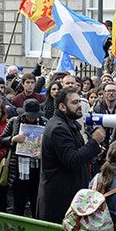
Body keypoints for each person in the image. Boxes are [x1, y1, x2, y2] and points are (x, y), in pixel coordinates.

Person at [37, 87, 106, 223]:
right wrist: (93, 142)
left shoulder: (68, 124)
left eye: (79, 101)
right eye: (75, 102)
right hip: (60, 198)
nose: (80, 105)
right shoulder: (59, 128)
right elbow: (72, 160)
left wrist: (94, 150)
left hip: (67, 194)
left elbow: (77, 153)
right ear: (62, 106)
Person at [0, 98, 47, 217]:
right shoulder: (14, 121)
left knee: (36, 202)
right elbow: (1, 139)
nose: (31, 118)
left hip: (37, 169)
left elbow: (51, 145)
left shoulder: (44, 122)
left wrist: (43, 153)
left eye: (34, 116)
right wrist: (13, 139)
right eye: (29, 115)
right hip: (19, 169)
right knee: (18, 202)